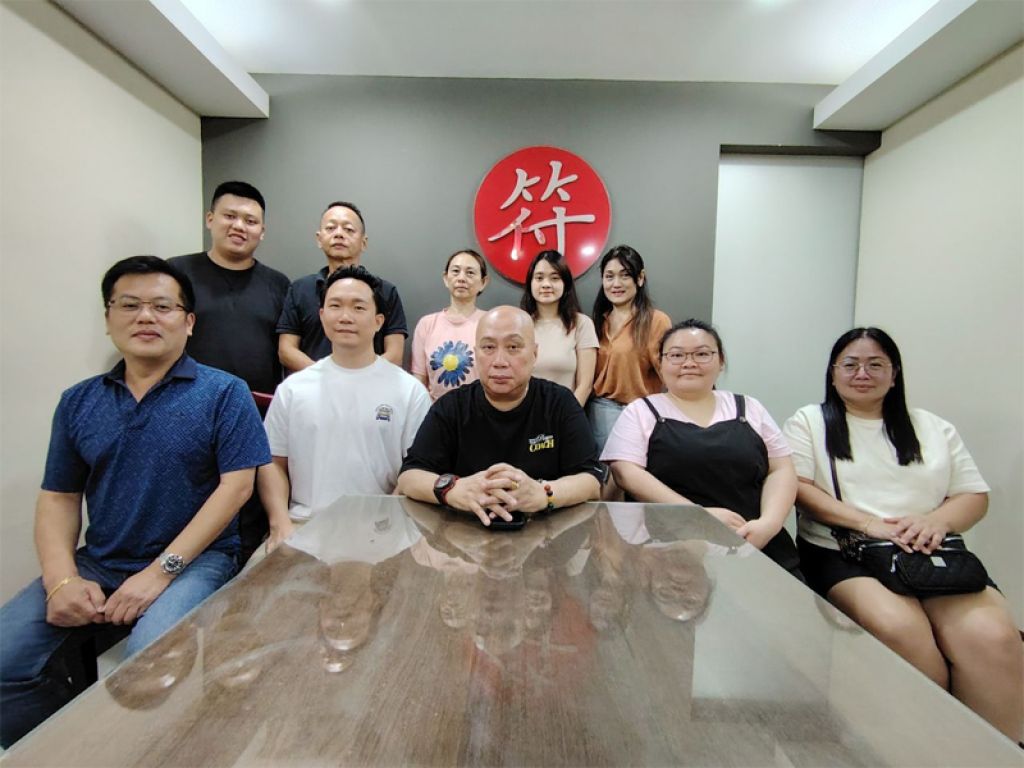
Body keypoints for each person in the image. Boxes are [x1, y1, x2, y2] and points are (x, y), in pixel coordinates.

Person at [0, 256, 270, 748]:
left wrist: (160, 573)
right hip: (101, 560)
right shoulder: (79, 401)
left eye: (162, 306)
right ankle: (71, 748)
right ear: (108, 319)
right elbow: (59, 496)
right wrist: (60, 579)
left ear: (189, 322)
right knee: (5, 660)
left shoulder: (223, 392)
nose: (146, 316)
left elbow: (237, 488)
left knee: (147, 669)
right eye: (129, 305)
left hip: (197, 562)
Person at [783, 327, 1022, 740]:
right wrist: (867, 523)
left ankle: (994, 750)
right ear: (833, 373)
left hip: (930, 550)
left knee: (994, 637)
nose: (862, 373)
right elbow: (799, 488)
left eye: (875, 364)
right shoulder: (809, 422)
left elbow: (972, 495)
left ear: (894, 375)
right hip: (847, 552)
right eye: (850, 365)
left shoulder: (932, 427)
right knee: (900, 629)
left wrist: (937, 522)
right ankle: (924, 744)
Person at [602, 319, 800, 576]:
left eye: (702, 354)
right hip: (668, 551)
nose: (689, 363)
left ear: (721, 361)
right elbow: (626, 472)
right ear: (660, 364)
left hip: (753, 542)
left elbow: (781, 469)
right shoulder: (641, 411)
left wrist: (769, 524)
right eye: (677, 355)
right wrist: (696, 516)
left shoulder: (749, 408)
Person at [260, 266, 430, 550]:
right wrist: (280, 524)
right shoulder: (293, 389)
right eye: (335, 306)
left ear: (378, 321)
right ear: (322, 315)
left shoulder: (409, 391)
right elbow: (273, 463)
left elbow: (417, 471)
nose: (345, 316)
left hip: (384, 531)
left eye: (358, 307)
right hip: (305, 527)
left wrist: (386, 527)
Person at [169, 181, 290, 562]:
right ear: (210, 219)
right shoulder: (177, 274)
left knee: (249, 514)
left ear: (262, 231)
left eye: (250, 221)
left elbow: (285, 350)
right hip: (186, 412)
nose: (240, 226)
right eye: (230, 216)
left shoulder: (278, 284)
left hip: (256, 418)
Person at [397, 306, 604, 525]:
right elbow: (409, 476)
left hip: (546, 532)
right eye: (488, 347)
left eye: (513, 347)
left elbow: (591, 481)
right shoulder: (451, 407)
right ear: (476, 354)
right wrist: (453, 489)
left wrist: (544, 493)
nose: (499, 361)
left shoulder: (560, 403)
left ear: (534, 354)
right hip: (463, 535)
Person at [277, 201, 407, 371]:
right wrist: (325, 376)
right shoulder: (299, 289)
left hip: (370, 384)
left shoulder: (385, 291)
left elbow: (395, 354)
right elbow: (286, 349)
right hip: (314, 384)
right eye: (331, 228)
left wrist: (359, 378)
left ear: (364, 242)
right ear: (319, 239)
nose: (339, 234)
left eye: (349, 229)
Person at [589, 245, 672, 451]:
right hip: (599, 412)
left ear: (640, 278)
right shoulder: (597, 321)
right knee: (606, 469)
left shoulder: (656, 321)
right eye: (609, 276)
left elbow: (670, 372)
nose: (616, 284)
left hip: (641, 411)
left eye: (625, 275)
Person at [520, 249, 598, 407]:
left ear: (565, 283)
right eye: (539, 278)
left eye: (555, 278)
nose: (546, 284)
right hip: (524, 414)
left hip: (566, 413)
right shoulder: (520, 324)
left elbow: (585, 386)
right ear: (530, 283)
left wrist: (567, 416)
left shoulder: (582, 324)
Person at [411, 249, 490, 401]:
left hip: (480, 410)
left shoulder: (490, 323)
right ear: (446, 278)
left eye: (470, 273)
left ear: (483, 282)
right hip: (436, 411)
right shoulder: (426, 324)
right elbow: (419, 380)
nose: (461, 278)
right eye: (455, 271)